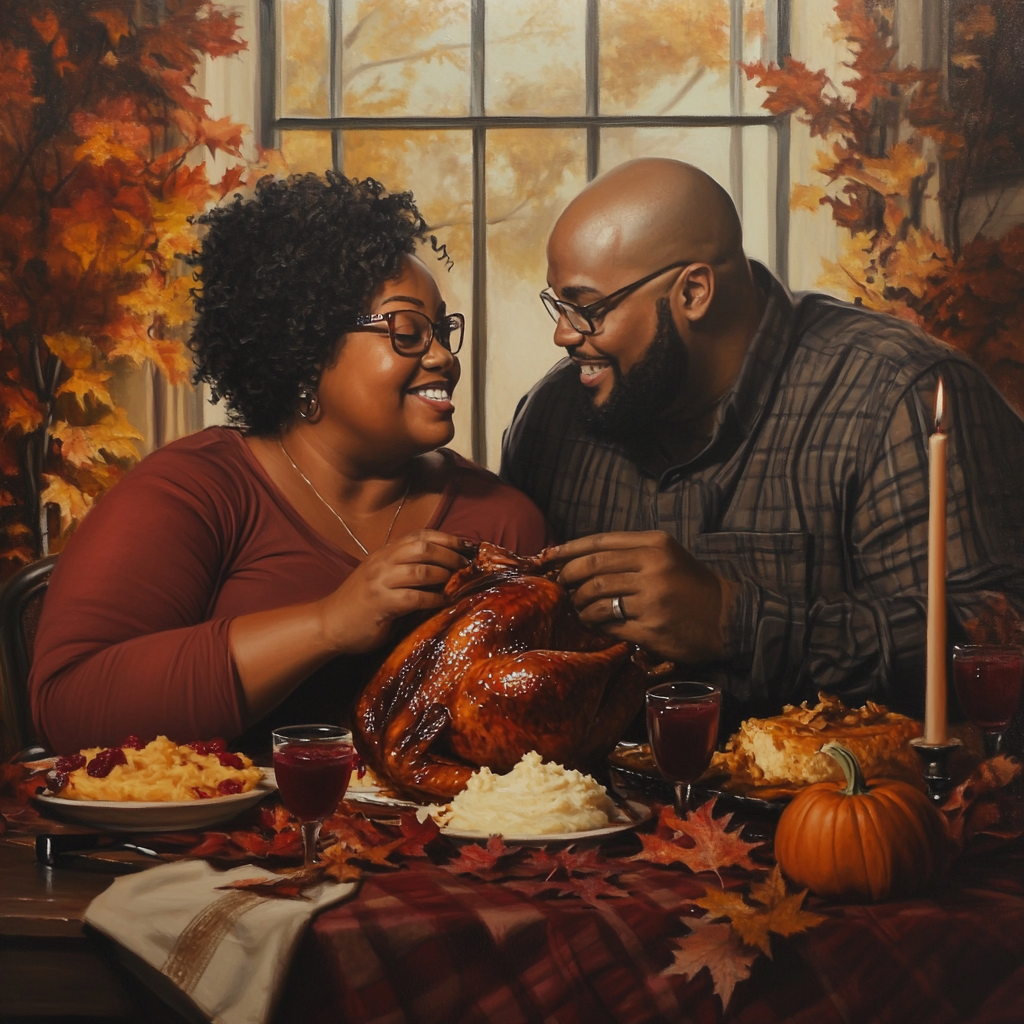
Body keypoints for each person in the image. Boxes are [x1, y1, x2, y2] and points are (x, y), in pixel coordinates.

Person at [31, 172, 549, 754]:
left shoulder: (500, 521)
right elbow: (68, 705)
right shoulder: (193, 493)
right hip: (208, 842)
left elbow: (539, 741)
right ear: (305, 354)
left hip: (440, 842)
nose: (442, 356)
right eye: (407, 331)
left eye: (442, 331)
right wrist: (328, 624)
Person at [501, 157, 1024, 726]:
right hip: (598, 809)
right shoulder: (552, 418)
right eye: (559, 306)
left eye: (587, 308)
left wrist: (737, 624)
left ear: (694, 291)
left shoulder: (899, 396)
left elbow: (998, 634)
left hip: (840, 804)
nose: (563, 335)